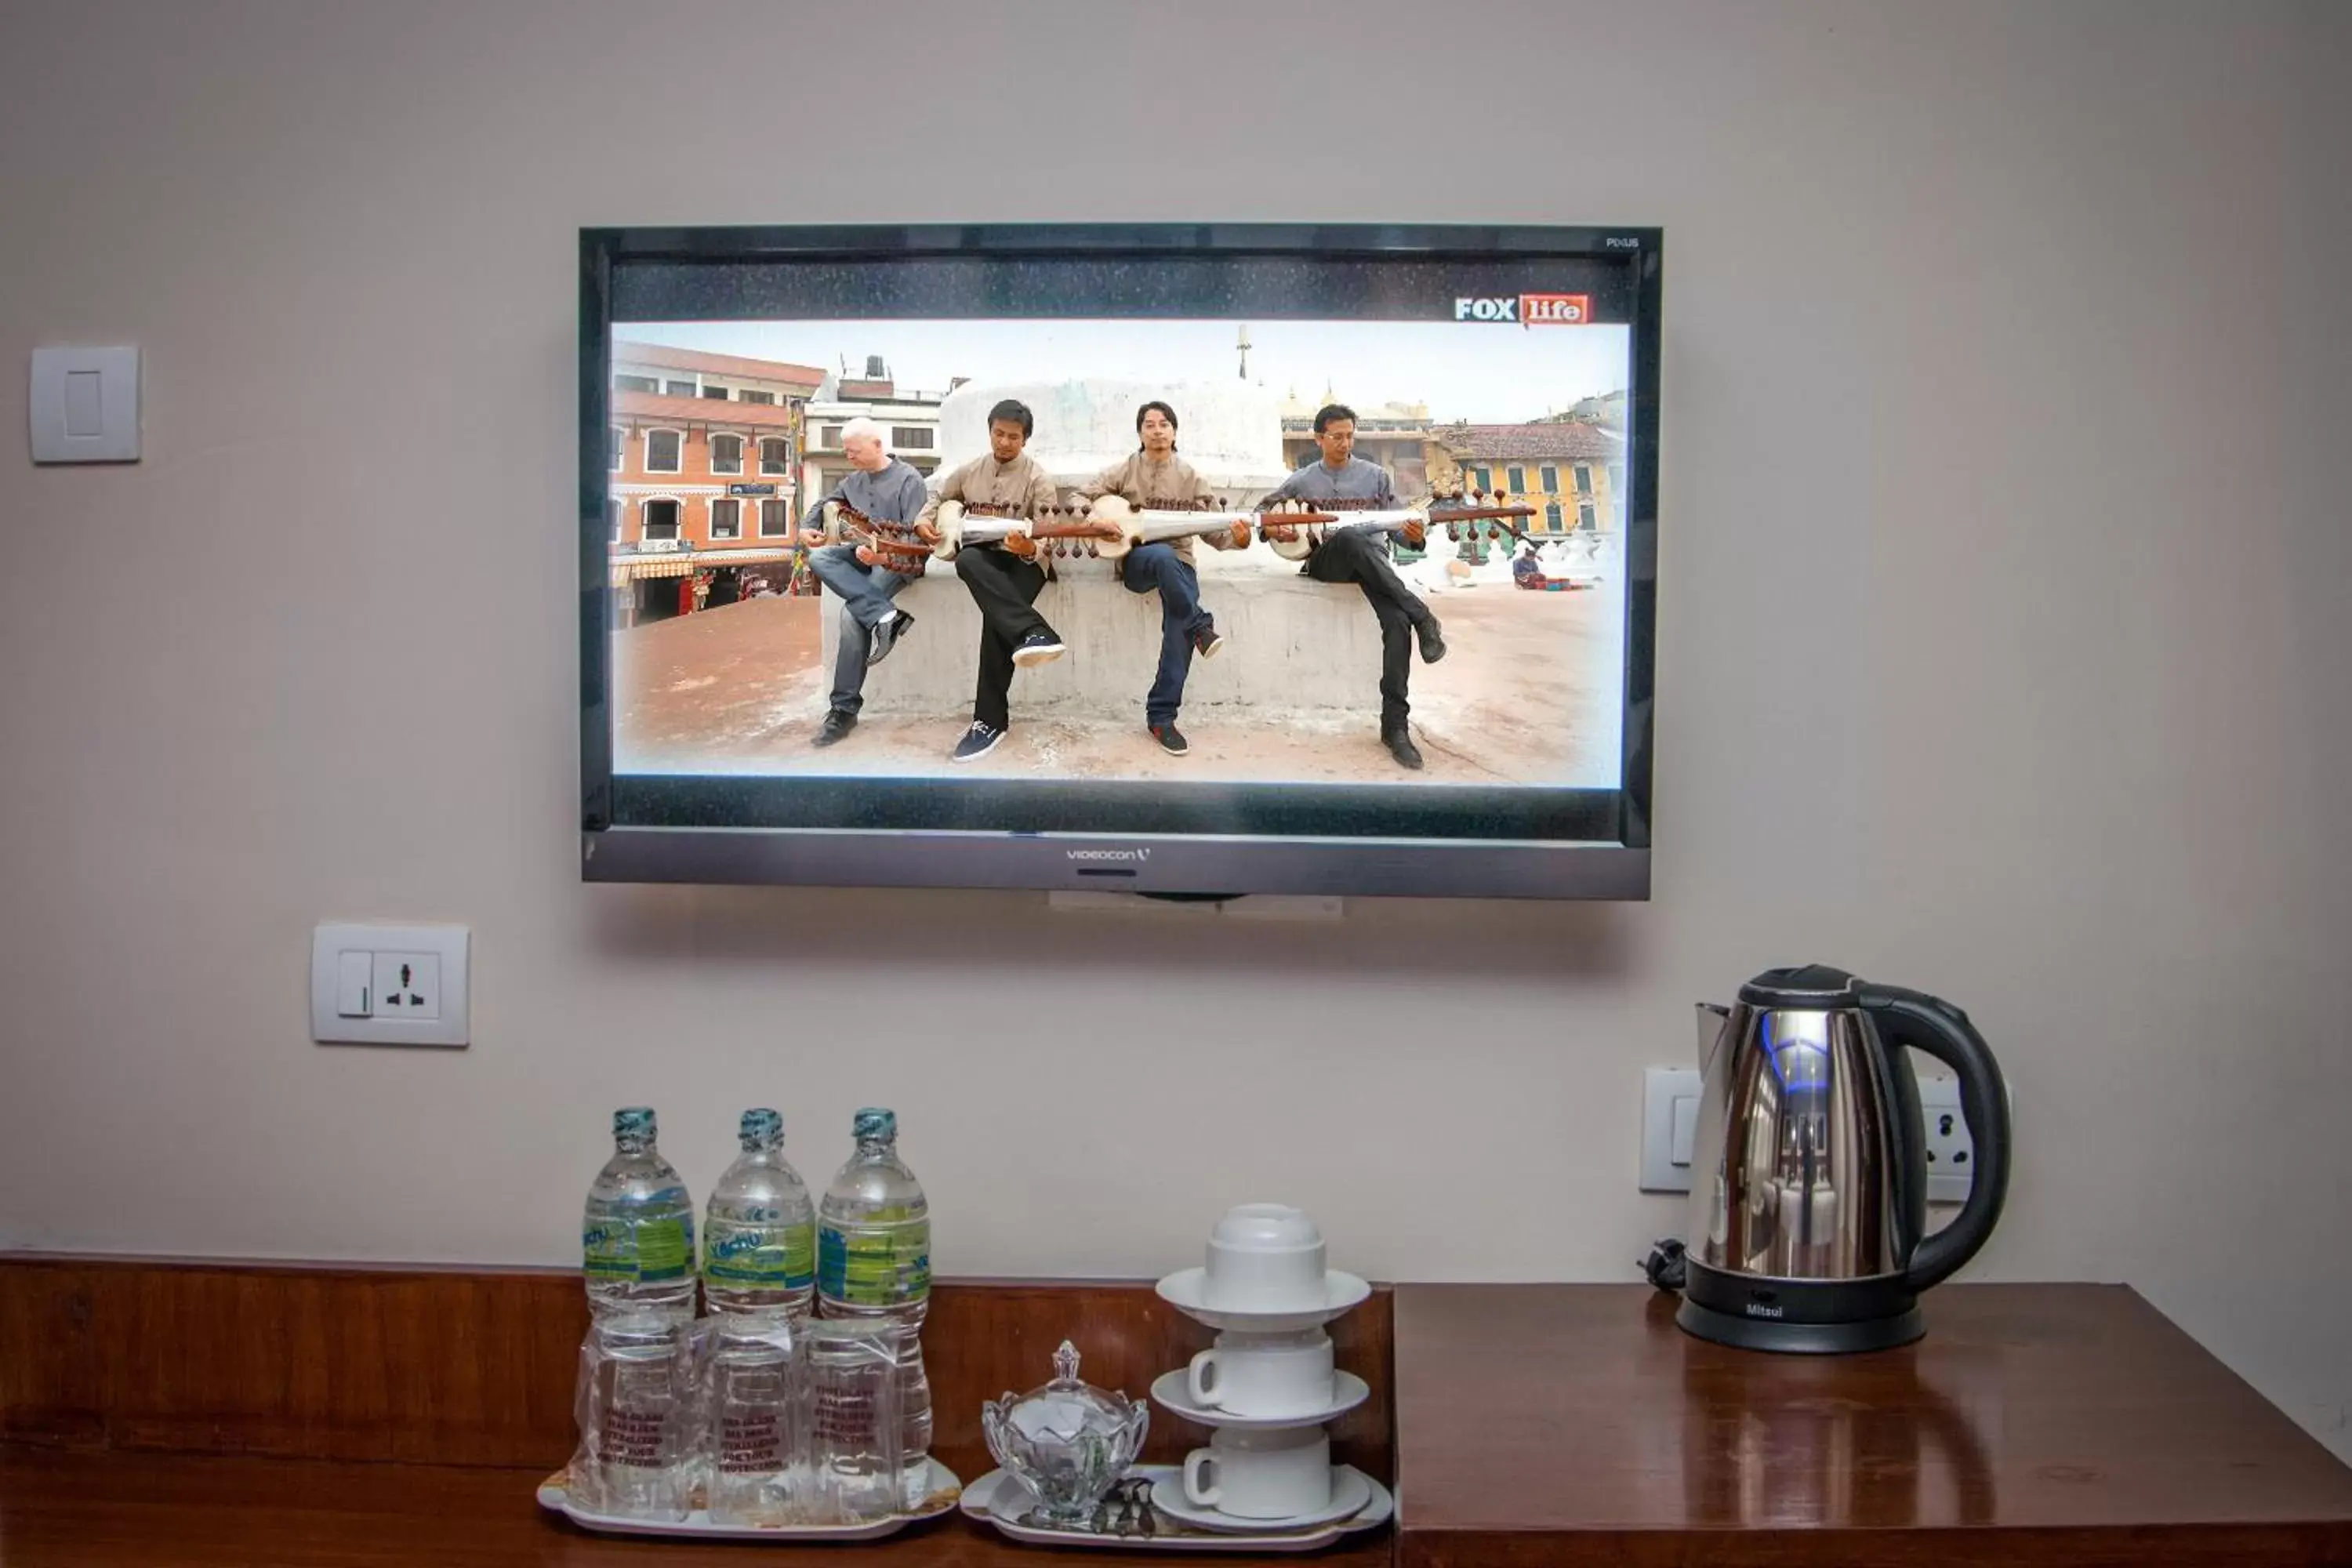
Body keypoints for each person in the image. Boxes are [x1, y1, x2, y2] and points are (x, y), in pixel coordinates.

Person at [1261, 404, 1446, 770]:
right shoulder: (1302, 480)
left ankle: (1395, 726)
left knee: (1396, 624)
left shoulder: (1377, 477)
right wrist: (1273, 529)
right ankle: (1423, 614)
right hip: (1328, 562)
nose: (1345, 443)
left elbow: (1399, 526)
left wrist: (1415, 536)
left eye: (1349, 435)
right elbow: (1263, 516)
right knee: (1348, 536)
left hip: (1374, 566)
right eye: (1337, 436)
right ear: (1319, 439)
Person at [1069, 401, 1245, 756]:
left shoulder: (1192, 478)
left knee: (1177, 620)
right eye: (1149, 425)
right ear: (1140, 433)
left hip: (1180, 564)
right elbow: (1079, 497)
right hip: (1137, 562)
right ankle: (1201, 626)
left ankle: (1161, 717)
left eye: (1164, 424)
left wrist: (1239, 539)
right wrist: (1094, 520)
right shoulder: (1124, 470)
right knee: (1164, 559)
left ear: (1175, 432)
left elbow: (1216, 532)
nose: (1157, 430)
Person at [917, 398, 1065, 762]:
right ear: (990, 432)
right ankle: (1035, 631)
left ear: (1025, 440)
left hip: (1025, 563)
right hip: (984, 560)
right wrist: (925, 519)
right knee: (967, 559)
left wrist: (1029, 545)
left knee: (997, 620)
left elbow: (1050, 537)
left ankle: (988, 721)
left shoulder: (1038, 479)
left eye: (1013, 437)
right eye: (998, 434)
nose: (1004, 443)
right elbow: (939, 496)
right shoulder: (969, 472)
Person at [796, 417, 933, 748]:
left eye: (854, 451)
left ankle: (842, 709)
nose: (849, 457)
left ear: (877, 446)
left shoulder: (910, 481)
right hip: (861, 557)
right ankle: (886, 616)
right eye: (846, 452)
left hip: (897, 563)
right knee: (819, 558)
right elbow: (824, 504)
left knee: (850, 616)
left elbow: (919, 548)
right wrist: (806, 526)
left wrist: (883, 559)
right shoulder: (852, 482)